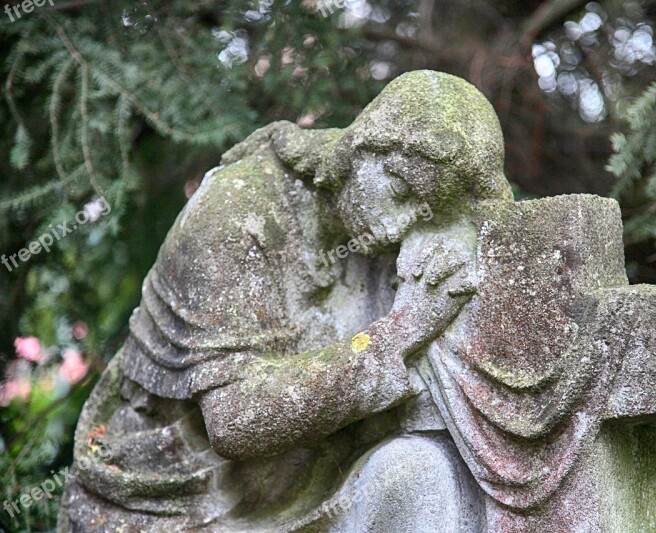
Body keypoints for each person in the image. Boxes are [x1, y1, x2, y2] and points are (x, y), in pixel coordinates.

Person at [58, 70, 513, 532]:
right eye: (399, 191)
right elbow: (234, 420)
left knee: (426, 477)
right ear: (364, 148)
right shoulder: (237, 212)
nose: (397, 229)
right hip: (183, 501)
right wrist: (400, 333)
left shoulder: (392, 239)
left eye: (423, 211)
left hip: (319, 484)